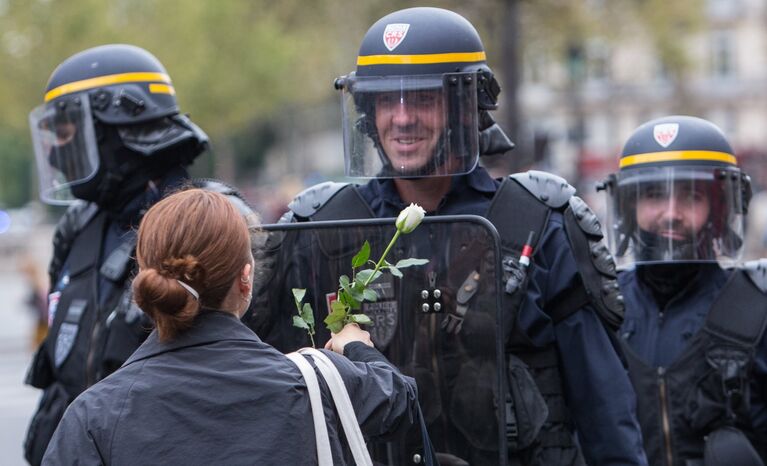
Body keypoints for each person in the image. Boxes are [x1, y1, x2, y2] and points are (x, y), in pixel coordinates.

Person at [249, 7, 647, 465]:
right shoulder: (321, 227)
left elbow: (605, 410)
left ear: (463, 108)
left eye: (421, 98)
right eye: (385, 100)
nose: (401, 118)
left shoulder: (537, 223)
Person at [42, 188, 417, 464]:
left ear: (144, 277)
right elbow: (401, 401)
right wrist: (355, 346)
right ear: (246, 278)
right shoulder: (317, 385)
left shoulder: (92, 415)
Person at [23, 44, 251, 464]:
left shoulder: (210, 220)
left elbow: (241, 374)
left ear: (115, 131)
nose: (56, 153)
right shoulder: (79, 226)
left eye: (66, 134)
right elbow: (59, 374)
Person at [600, 115, 767, 465]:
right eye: (654, 195)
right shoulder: (601, 308)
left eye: (690, 196)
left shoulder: (755, 307)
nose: (671, 213)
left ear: (719, 209)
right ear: (629, 207)